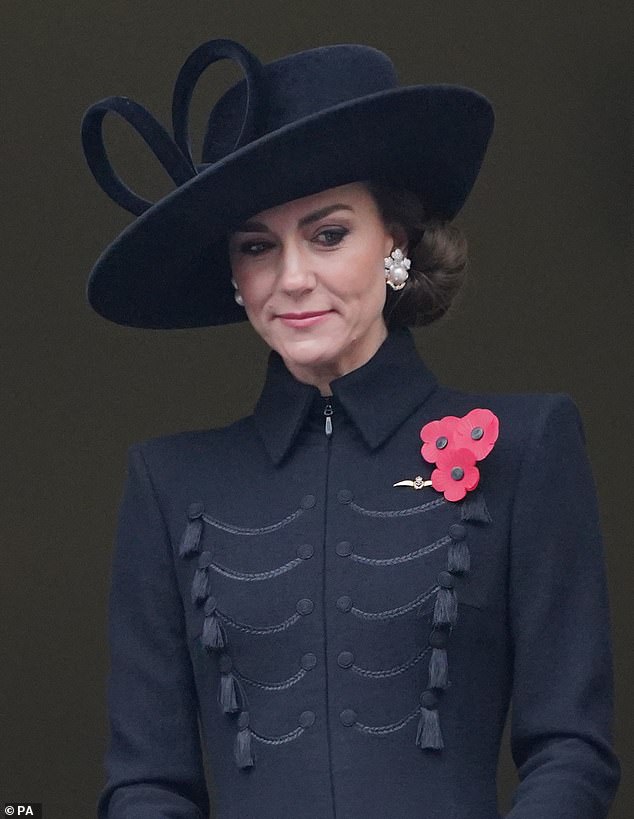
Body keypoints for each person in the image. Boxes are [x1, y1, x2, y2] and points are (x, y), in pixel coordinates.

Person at [81, 38, 621, 819]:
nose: (292, 276)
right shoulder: (167, 482)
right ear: (235, 277)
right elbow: (146, 783)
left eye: (328, 233)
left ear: (395, 244)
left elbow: (571, 747)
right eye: (257, 246)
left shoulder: (527, 443)